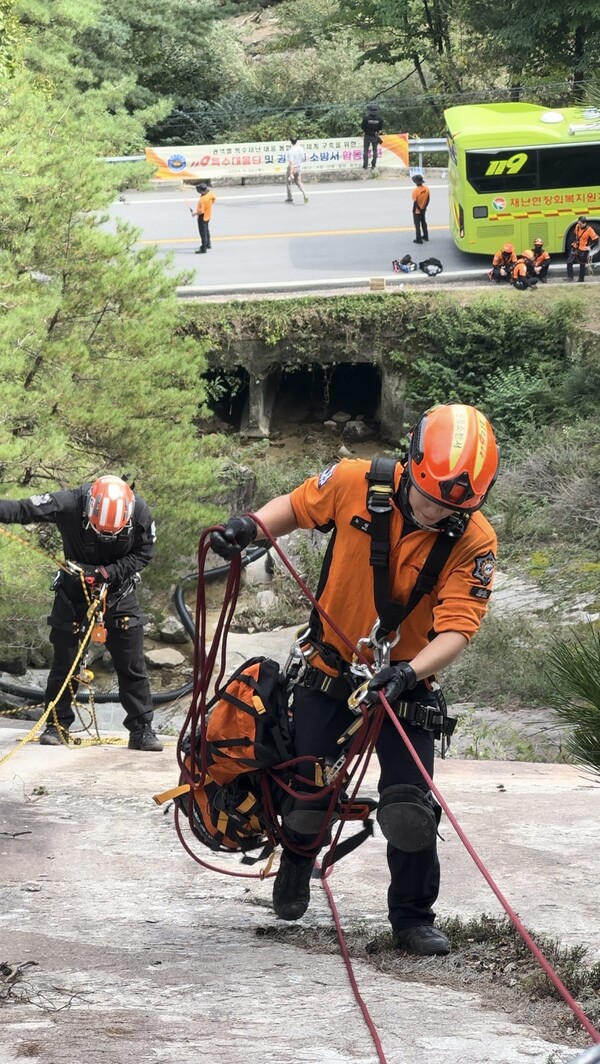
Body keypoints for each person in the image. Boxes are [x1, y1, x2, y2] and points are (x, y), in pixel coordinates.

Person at [210, 403, 500, 957]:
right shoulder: (352, 482)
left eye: (450, 508)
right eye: (429, 499)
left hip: (405, 679)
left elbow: (458, 630)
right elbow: (294, 509)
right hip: (329, 669)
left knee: (409, 807)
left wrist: (407, 672)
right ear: (411, 465)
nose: (437, 514)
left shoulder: (474, 541)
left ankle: (412, 918)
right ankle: (297, 861)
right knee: (307, 794)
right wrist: (249, 527)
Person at [0, 476, 163, 751]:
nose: (105, 537)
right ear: (90, 510)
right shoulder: (69, 502)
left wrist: (108, 573)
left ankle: (142, 729)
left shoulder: (140, 512)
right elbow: (25, 509)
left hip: (118, 592)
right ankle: (57, 724)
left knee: (131, 664)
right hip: (74, 592)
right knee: (64, 662)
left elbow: (144, 553)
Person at [566, 216, 599, 282]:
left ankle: (581, 279)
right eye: (578, 223)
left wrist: (590, 247)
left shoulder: (589, 230)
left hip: (583, 250)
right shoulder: (577, 226)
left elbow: (595, 239)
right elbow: (575, 235)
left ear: (584, 223)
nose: (579, 225)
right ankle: (570, 277)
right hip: (575, 247)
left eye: (580, 224)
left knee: (582, 265)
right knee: (569, 262)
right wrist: (574, 242)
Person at [191, 183, 217, 254]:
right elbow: (214, 198)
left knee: (203, 233)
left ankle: (203, 248)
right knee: (207, 230)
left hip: (203, 217)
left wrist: (194, 213)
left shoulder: (203, 199)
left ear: (202, 191)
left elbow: (201, 211)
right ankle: (208, 243)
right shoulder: (210, 193)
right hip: (208, 215)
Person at [285, 138, 309, 204]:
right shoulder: (301, 149)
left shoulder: (291, 151)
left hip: (292, 168)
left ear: (291, 142)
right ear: (296, 141)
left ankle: (290, 198)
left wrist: (291, 173)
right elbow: (304, 159)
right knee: (299, 182)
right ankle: (305, 195)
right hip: (299, 168)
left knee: (288, 182)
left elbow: (291, 163)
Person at [361, 103, 383, 170]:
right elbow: (380, 128)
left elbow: (362, 127)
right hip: (375, 136)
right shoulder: (380, 119)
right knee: (375, 151)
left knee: (365, 151)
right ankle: (373, 165)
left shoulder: (365, 119)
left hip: (367, 136)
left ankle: (365, 166)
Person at [411, 175, 430, 244]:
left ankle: (418, 239)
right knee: (423, 223)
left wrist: (419, 209)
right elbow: (428, 199)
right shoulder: (427, 189)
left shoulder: (415, 191)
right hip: (424, 209)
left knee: (417, 225)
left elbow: (415, 202)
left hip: (417, 211)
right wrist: (424, 208)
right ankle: (426, 236)